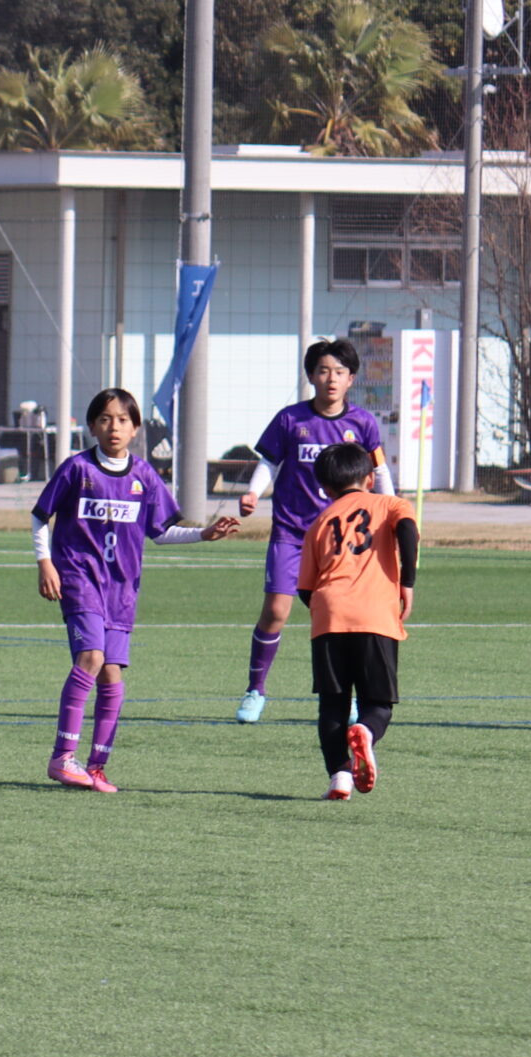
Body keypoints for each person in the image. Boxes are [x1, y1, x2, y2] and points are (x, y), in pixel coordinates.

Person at [34, 388, 241, 792]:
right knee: (92, 657)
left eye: (123, 420)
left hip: (122, 590)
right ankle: (62, 757)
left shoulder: (143, 476)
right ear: (92, 426)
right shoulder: (77, 469)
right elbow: (41, 516)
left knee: (111, 673)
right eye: (105, 419)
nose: (114, 427)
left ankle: (96, 766)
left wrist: (203, 533)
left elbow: (160, 532)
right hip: (79, 578)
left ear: (135, 429)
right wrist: (45, 563)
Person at [234, 339, 389, 724]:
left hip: (342, 539)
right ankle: (255, 690)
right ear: (311, 376)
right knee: (275, 611)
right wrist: (253, 492)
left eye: (339, 372)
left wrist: (390, 511)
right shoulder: (291, 419)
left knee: (342, 618)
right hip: (292, 532)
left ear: (351, 379)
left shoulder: (363, 424)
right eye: (323, 371)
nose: (331, 379)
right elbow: (269, 462)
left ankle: (347, 697)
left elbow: (379, 471)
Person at [296, 442, 417, 801]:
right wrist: (407, 582)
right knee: (377, 703)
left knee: (333, 703)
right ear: (369, 479)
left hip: (329, 615)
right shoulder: (391, 504)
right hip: (375, 614)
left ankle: (339, 777)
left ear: (325, 488)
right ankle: (365, 730)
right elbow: (407, 531)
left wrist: (326, 611)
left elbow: (305, 588)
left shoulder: (319, 523)